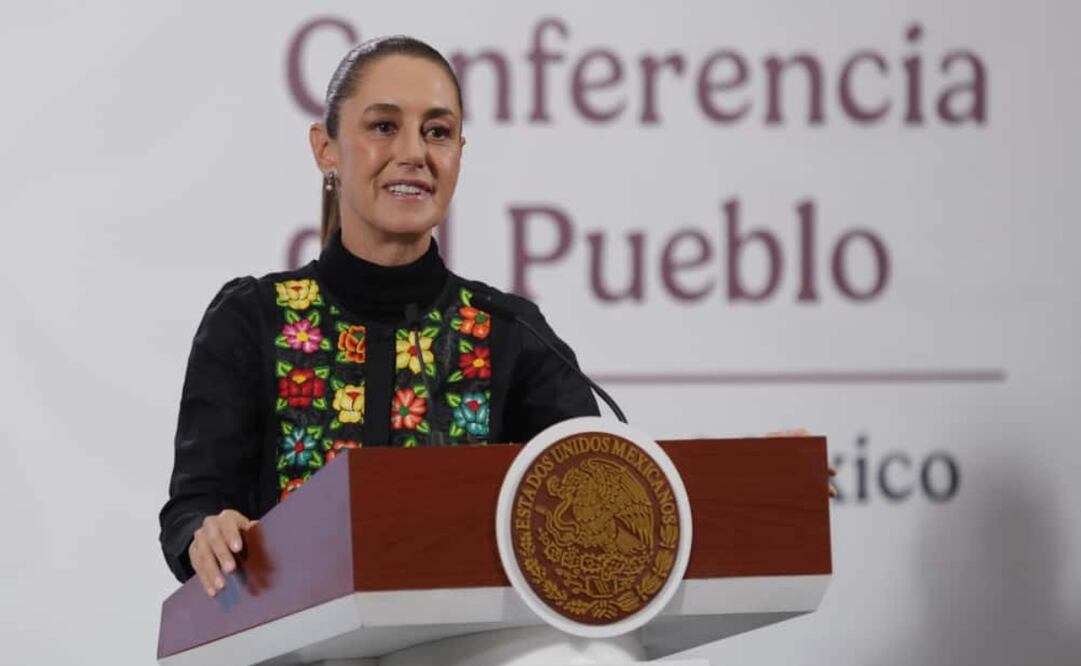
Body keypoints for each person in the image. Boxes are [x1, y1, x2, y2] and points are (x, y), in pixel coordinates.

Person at [158, 36, 599, 597]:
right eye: (384, 127)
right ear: (326, 148)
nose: (414, 152)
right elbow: (193, 508)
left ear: (459, 152)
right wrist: (209, 531)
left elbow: (593, 492)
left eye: (437, 132)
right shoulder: (252, 320)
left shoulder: (509, 330)